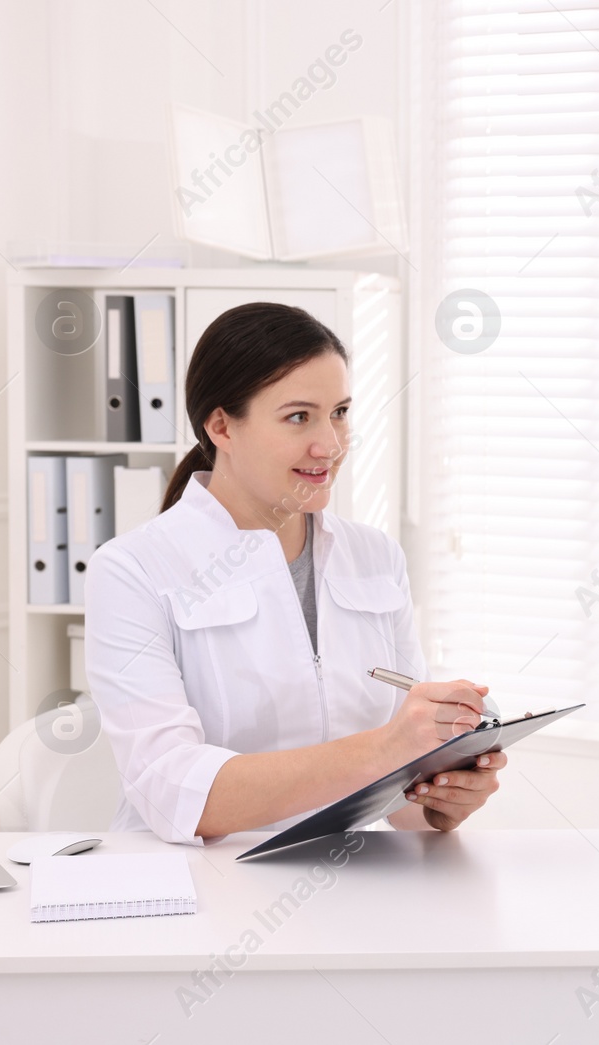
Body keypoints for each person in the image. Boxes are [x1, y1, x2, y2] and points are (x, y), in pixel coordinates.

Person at [84, 302, 504, 844]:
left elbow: (400, 799)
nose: (330, 444)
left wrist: (439, 797)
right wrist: (388, 747)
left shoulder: (375, 557)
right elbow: (175, 794)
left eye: (341, 412)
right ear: (221, 426)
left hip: (341, 882)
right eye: (299, 416)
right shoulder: (132, 571)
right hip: (195, 893)